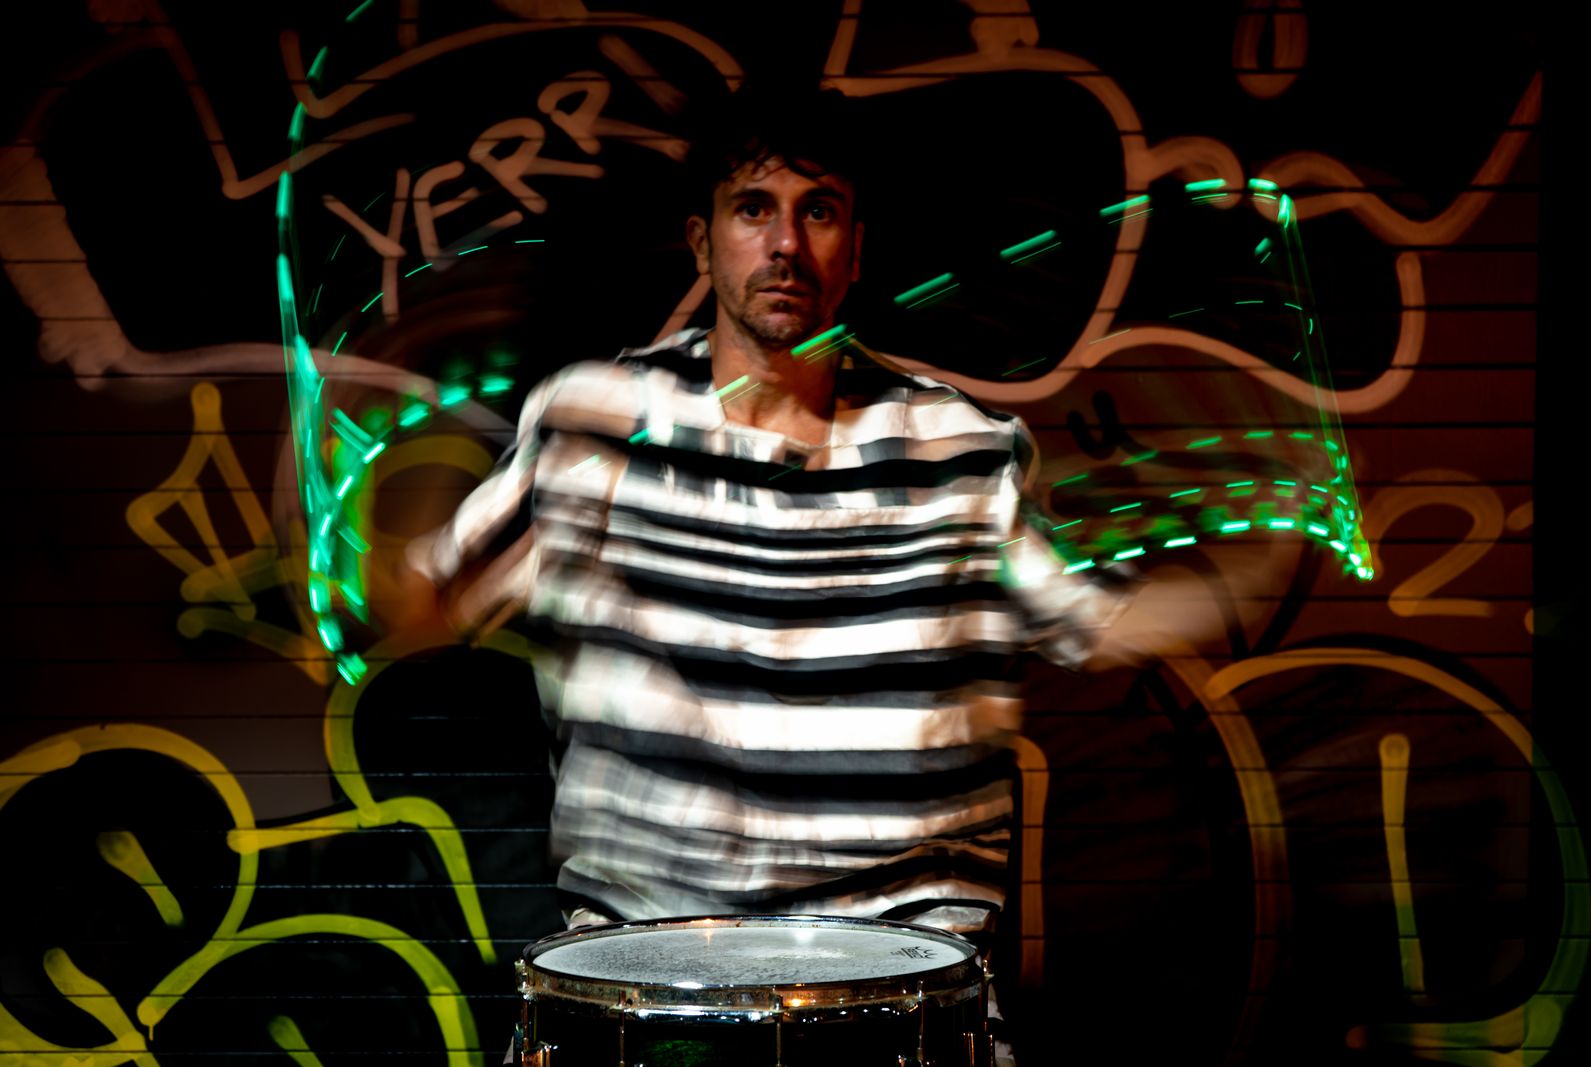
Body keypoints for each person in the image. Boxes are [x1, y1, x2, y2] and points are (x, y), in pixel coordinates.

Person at [392, 80, 1276, 1063]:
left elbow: (1091, 621)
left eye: (817, 212)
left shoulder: (957, 449)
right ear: (703, 243)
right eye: (753, 209)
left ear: (854, 251)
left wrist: (1250, 553)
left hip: (904, 994)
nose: (784, 244)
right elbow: (426, 606)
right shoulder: (594, 425)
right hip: (641, 988)